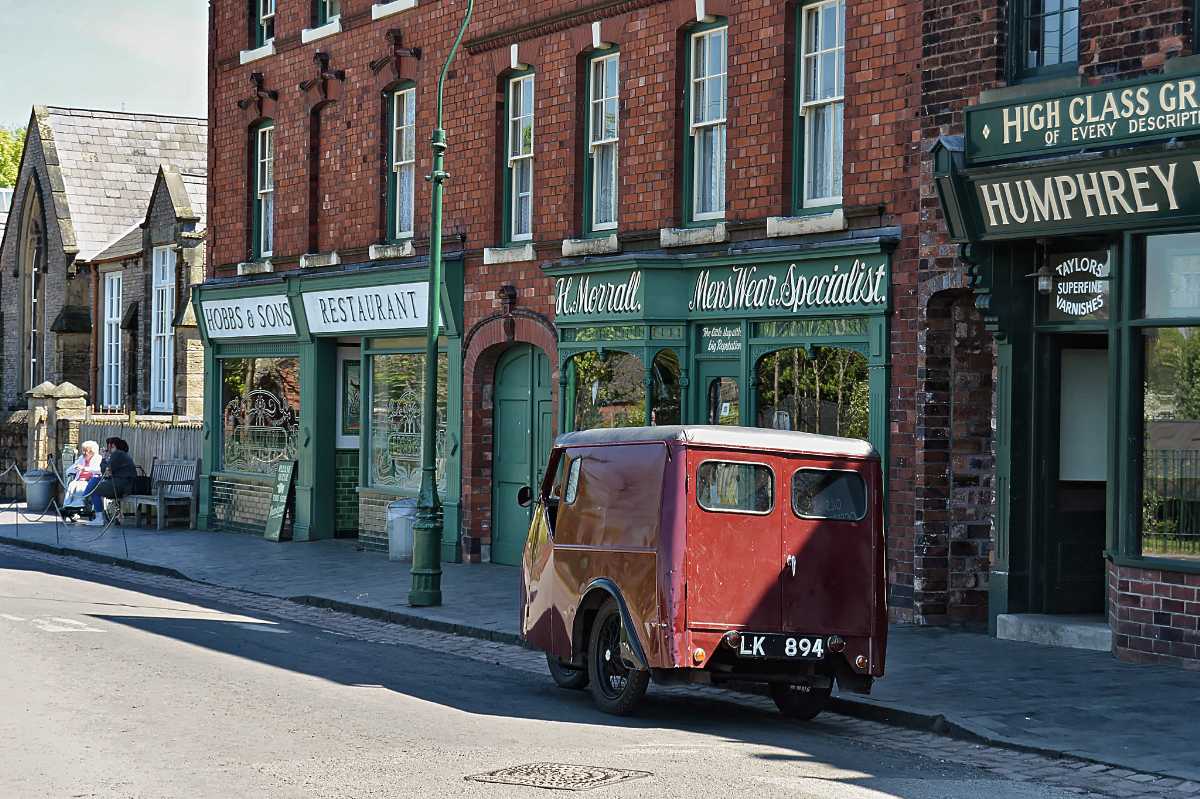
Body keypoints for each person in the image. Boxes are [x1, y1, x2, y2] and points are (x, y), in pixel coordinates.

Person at [85, 438, 137, 526]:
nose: (107, 448)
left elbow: (106, 470)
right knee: (95, 481)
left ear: (112, 445)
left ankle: (99, 518)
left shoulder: (117, 454)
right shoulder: (121, 454)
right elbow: (109, 472)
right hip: (126, 484)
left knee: (95, 490)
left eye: (109, 445)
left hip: (122, 485)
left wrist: (103, 458)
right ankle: (86, 498)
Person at [61, 441, 102, 519]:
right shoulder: (81, 458)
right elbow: (69, 470)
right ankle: (66, 505)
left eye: (86, 450)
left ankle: (80, 503)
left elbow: (98, 470)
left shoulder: (98, 458)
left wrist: (85, 468)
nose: (84, 452)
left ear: (92, 451)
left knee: (81, 485)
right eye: (83, 450)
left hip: (90, 480)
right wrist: (75, 469)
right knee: (72, 484)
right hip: (79, 479)